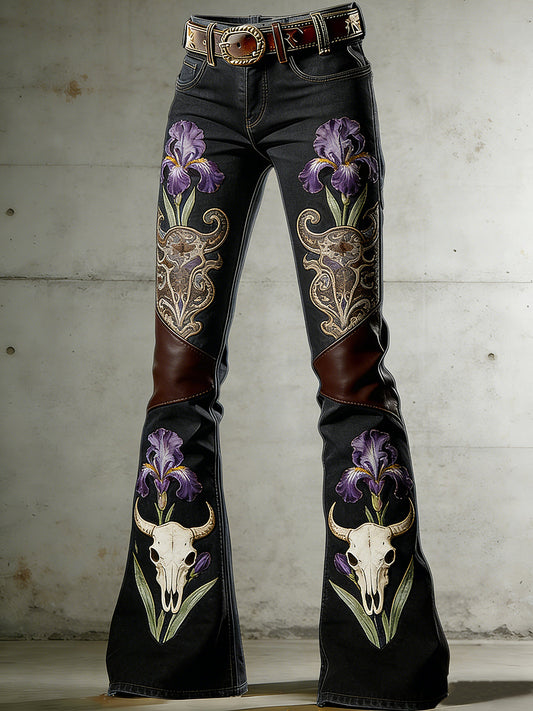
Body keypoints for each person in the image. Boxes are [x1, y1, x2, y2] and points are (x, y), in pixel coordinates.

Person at [105, 3, 450, 708]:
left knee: (351, 371)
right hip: (204, 82)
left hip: (323, 79)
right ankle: (174, 662)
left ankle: (379, 669)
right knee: (178, 378)